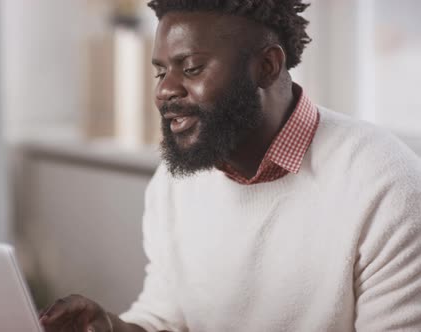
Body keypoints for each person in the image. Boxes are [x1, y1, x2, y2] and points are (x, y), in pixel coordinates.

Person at [39, 1, 421, 331]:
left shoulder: (385, 185)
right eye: (160, 72)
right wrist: (112, 327)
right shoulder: (176, 180)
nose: (164, 91)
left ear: (267, 66)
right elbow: (168, 318)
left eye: (190, 68)